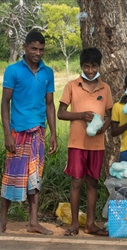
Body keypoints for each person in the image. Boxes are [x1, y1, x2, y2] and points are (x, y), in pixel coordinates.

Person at [0, 31, 57, 235]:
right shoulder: (13, 70)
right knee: (11, 176)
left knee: (35, 177)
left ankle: (33, 222)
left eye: (41, 49)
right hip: (18, 133)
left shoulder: (47, 72)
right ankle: (2, 221)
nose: (37, 53)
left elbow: (50, 104)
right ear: (25, 47)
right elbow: (5, 103)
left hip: (38, 134)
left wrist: (53, 134)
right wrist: (7, 134)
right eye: (34, 48)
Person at [57, 47, 113, 236]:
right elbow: (61, 113)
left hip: (97, 144)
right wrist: (81, 115)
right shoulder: (72, 86)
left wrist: (102, 129)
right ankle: (74, 224)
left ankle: (90, 223)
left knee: (93, 182)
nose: (90, 70)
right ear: (81, 66)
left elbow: (110, 116)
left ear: (99, 66)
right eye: (86, 66)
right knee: (76, 182)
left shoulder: (105, 88)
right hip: (77, 143)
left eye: (94, 66)